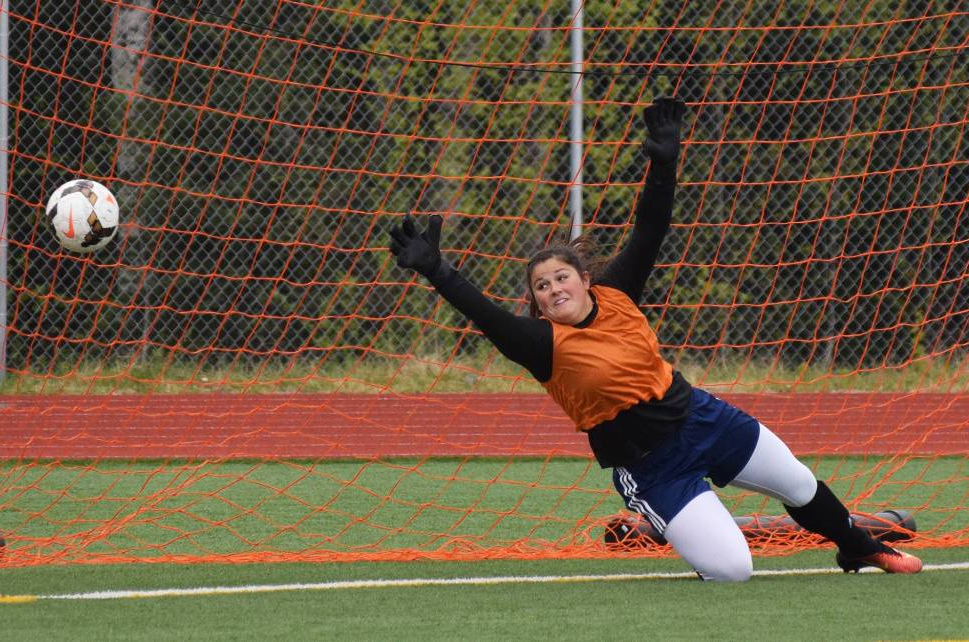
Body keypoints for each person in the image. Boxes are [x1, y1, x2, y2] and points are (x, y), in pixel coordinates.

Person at [388, 97, 922, 581]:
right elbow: (481, 312)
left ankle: (857, 548)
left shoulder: (619, 293)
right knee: (733, 571)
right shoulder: (538, 343)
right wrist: (437, 269)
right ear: (536, 302)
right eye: (541, 287)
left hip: (700, 418)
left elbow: (650, 228)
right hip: (649, 463)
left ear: (584, 279)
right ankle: (657, 515)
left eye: (561, 277)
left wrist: (663, 161)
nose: (554, 289)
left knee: (799, 483)